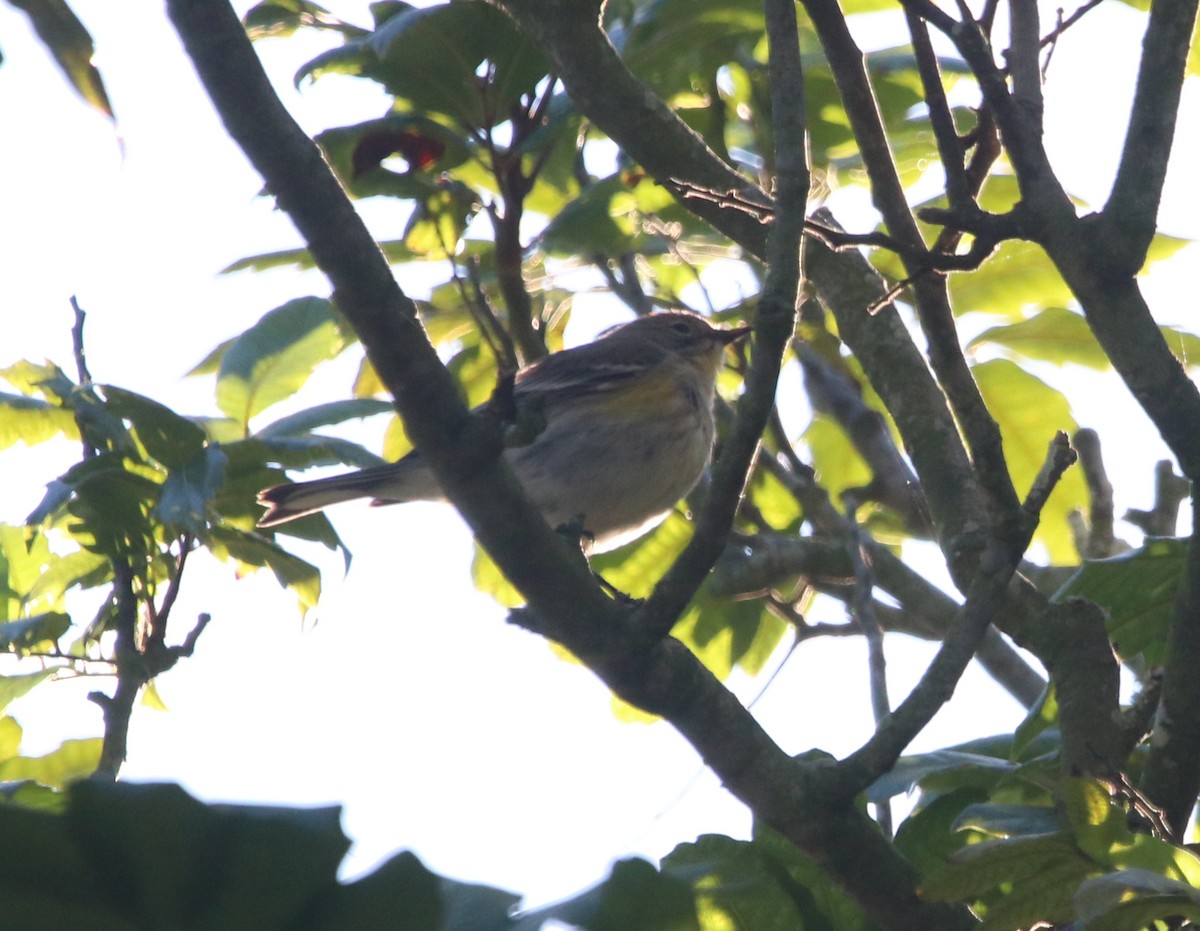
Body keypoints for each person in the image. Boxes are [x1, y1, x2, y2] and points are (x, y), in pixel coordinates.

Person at [257, 311, 751, 551]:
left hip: (536, 494)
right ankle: (320, 492)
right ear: (658, 339)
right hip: (513, 455)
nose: (705, 342)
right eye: (686, 332)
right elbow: (525, 403)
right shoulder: (647, 362)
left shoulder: (699, 423)